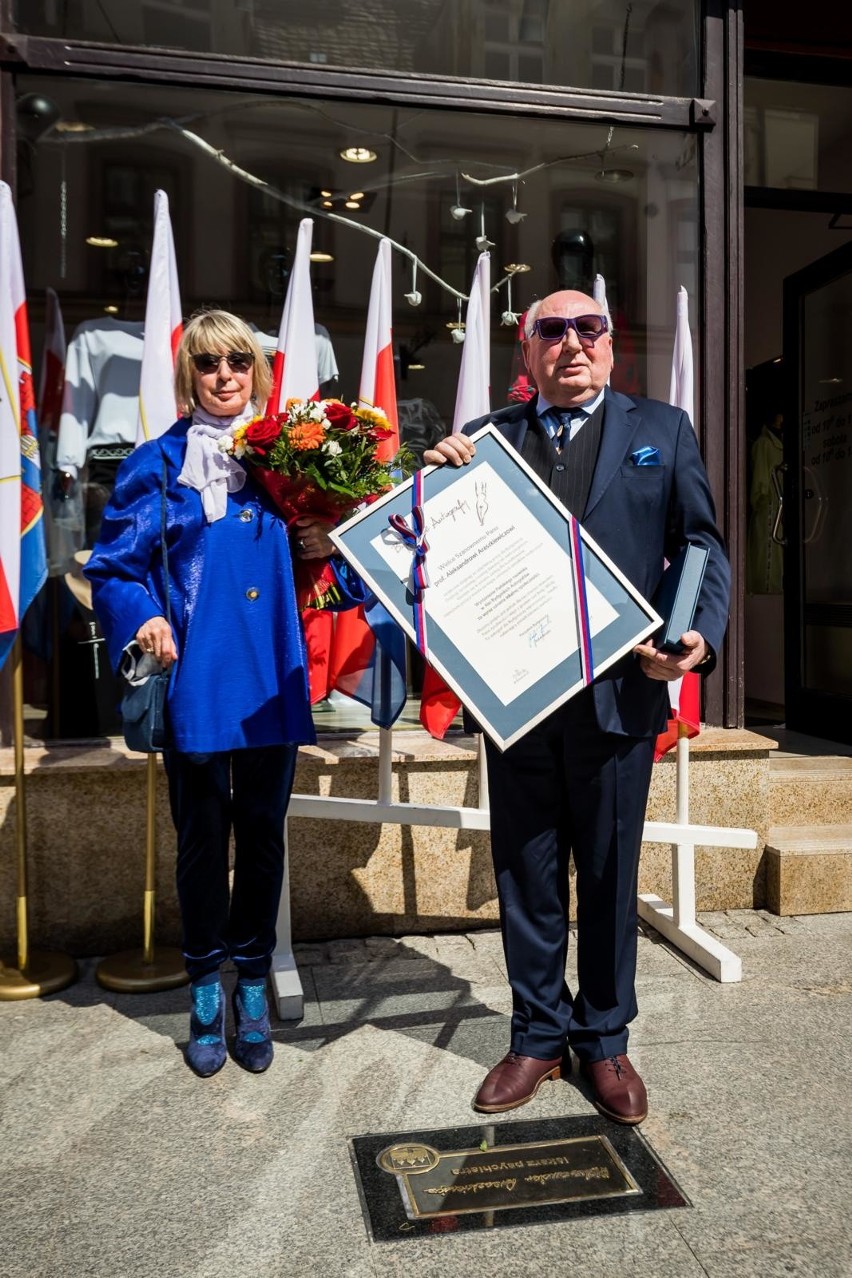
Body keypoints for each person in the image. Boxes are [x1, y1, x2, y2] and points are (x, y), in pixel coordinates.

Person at [423, 290, 730, 1124]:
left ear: (610, 346)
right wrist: (433, 482)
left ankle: (604, 1041)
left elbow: (700, 544)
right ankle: (535, 1038)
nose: (570, 345)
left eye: (587, 330)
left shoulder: (660, 429)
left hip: (619, 697)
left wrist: (695, 636)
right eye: (550, 332)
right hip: (516, 699)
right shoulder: (484, 440)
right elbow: (432, 553)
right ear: (526, 352)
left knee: (607, 872)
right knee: (525, 876)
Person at [86, 309, 344, 1077]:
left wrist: (325, 543)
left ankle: (253, 986)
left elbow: (342, 573)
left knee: (263, 838)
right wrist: (147, 616)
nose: (225, 375)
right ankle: (205, 989)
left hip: (270, 678)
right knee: (202, 842)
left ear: (257, 373)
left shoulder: (294, 461)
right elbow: (113, 568)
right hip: (197, 679)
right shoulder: (154, 464)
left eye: (238, 361)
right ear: (188, 375)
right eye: (208, 364)